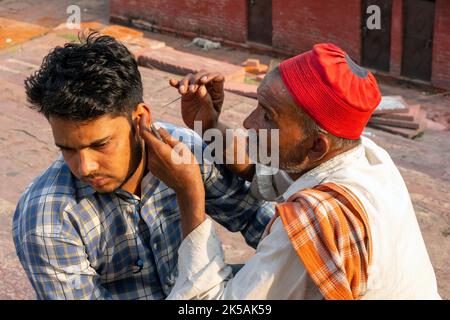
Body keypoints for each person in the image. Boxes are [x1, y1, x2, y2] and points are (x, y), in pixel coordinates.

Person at [140, 43, 441, 299]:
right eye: (258, 105)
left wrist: (190, 192)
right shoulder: (370, 159)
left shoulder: (316, 222)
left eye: (268, 117)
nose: (248, 123)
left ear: (315, 147)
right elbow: (263, 171)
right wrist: (208, 126)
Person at [12, 33, 274, 300]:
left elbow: (259, 222)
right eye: (67, 149)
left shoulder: (184, 152)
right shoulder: (47, 220)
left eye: (100, 145)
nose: (85, 167)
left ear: (140, 119)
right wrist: (190, 192)